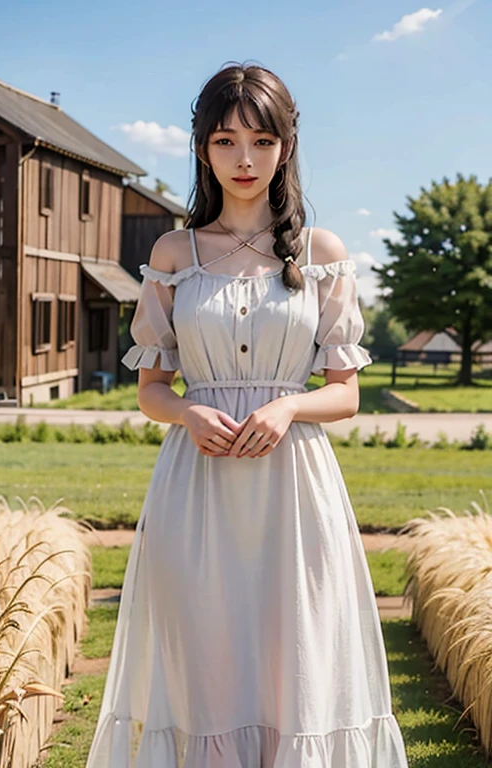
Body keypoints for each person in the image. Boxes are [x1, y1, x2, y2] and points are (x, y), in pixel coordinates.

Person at [86, 62, 409, 767]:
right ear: (202, 148)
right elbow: (151, 389)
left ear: (285, 148)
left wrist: (290, 406)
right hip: (195, 489)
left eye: (261, 142)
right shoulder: (174, 253)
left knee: (294, 660)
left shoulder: (322, 255)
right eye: (226, 141)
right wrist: (187, 414)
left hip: (294, 490)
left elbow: (346, 393)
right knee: (203, 663)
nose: (244, 159)